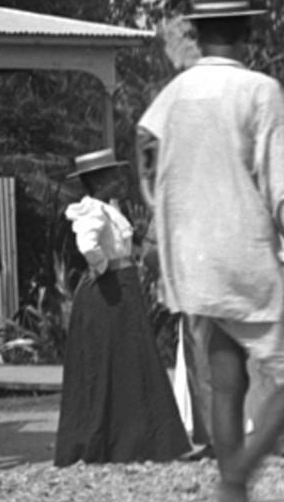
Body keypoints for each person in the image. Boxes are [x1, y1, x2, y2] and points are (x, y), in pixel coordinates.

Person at [138, 0, 284, 502]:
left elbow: (147, 159)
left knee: (228, 384)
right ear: (247, 32)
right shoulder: (260, 90)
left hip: (193, 262)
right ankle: (236, 482)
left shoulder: (172, 95)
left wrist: (169, 228)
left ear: (197, 36)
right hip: (245, 254)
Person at [52, 150, 191, 467]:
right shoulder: (94, 211)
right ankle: (111, 440)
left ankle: (138, 439)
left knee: (131, 359)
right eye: (114, 177)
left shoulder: (109, 210)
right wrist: (101, 267)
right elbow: (87, 244)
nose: (121, 181)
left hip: (123, 286)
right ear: (101, 182)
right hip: (110, 288)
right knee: (111, 360)